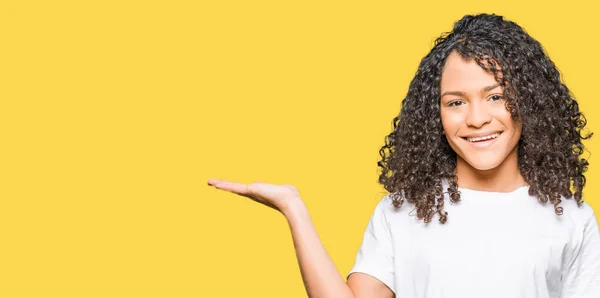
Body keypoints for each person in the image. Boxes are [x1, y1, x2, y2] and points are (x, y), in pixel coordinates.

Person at [207, 13, 600, 298]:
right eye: (456, 102)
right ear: (436, 116)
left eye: (495, 96)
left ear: (529, 101)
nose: (478, 119)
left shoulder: (571, 219)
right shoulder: (404, 211)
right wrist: (293, 207)